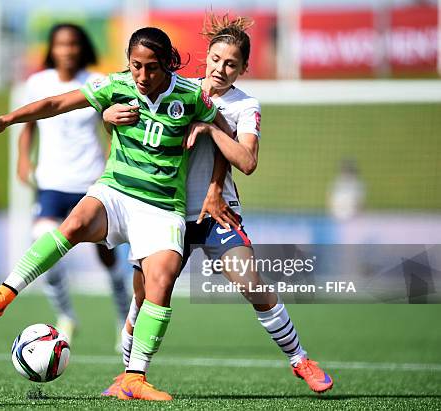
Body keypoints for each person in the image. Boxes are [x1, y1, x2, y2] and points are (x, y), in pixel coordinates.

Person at [0, 26, 235, 401]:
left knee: (161, 281)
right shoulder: (115, 85)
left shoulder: (192, 96)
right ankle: (4, 293)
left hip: (162, 208)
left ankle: (134, 378)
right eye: (136, 66)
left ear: (168, 64)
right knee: (74, 223)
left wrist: (214, 188)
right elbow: (58, 103)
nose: (142, 76)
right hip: (117, 193)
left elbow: (225, 138)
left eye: (152, 68)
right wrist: (8, 119)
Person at [101, 14, 333, 396]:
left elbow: (247, 160)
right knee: (143, 297)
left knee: (250, 280)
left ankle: (300, 359)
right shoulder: (181, 89)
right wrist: (107, 118)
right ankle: (127, 376)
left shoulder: (246, 105)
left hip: (216, 213)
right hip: (164, 212)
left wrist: (210, 128)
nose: (221, 68)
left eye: (231, 63)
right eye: (215, 59)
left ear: (243, 68)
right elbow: (129, 123)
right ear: (205, 57)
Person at [16, 23, 130, 344]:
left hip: (91, 182)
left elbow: (111, 127)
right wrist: (23, 158)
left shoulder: (95, 83)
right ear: (51, 49)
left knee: (106, 255)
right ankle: (66, 316)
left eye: (73, 44)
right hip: (51, 182)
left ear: (82, 48)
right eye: (60, 44)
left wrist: (114, 165)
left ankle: (124, 320)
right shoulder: (37, 83)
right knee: (42, 244)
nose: (67, 50)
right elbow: (30, 124)